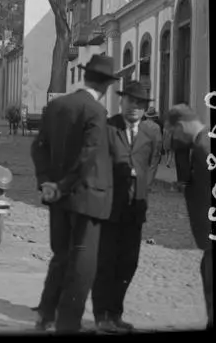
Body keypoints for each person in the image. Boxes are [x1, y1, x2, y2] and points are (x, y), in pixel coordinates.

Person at [30, 54, 118, 333]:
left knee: (61, 256)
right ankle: (68, 323)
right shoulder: (96, 111)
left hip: (58, 198)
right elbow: (88, 155)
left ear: (84, 77)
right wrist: (64, 184)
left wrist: (47, 182)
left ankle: (46, 314)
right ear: (106, 86)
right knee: (82, 263)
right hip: (87, 197)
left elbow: (38, 147)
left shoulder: (57, 105)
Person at [91, 81, 162, 333]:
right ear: (121, 102)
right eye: (130, 101)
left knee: (128, 263)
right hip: (108, 209)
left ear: (145, 108)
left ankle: (116, 313)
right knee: (106, 262)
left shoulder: (152, 132)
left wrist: (143, 184)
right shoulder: (108, 128)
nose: (134, 107)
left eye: (140, 103)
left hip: (135, 209)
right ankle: (102, 316)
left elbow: (153, 161)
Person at [165, 104, 213, 329]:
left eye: (173, 132)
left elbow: (208, 197)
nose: (173, 138)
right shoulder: (202, 142)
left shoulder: (204, 147)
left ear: (181, 126)